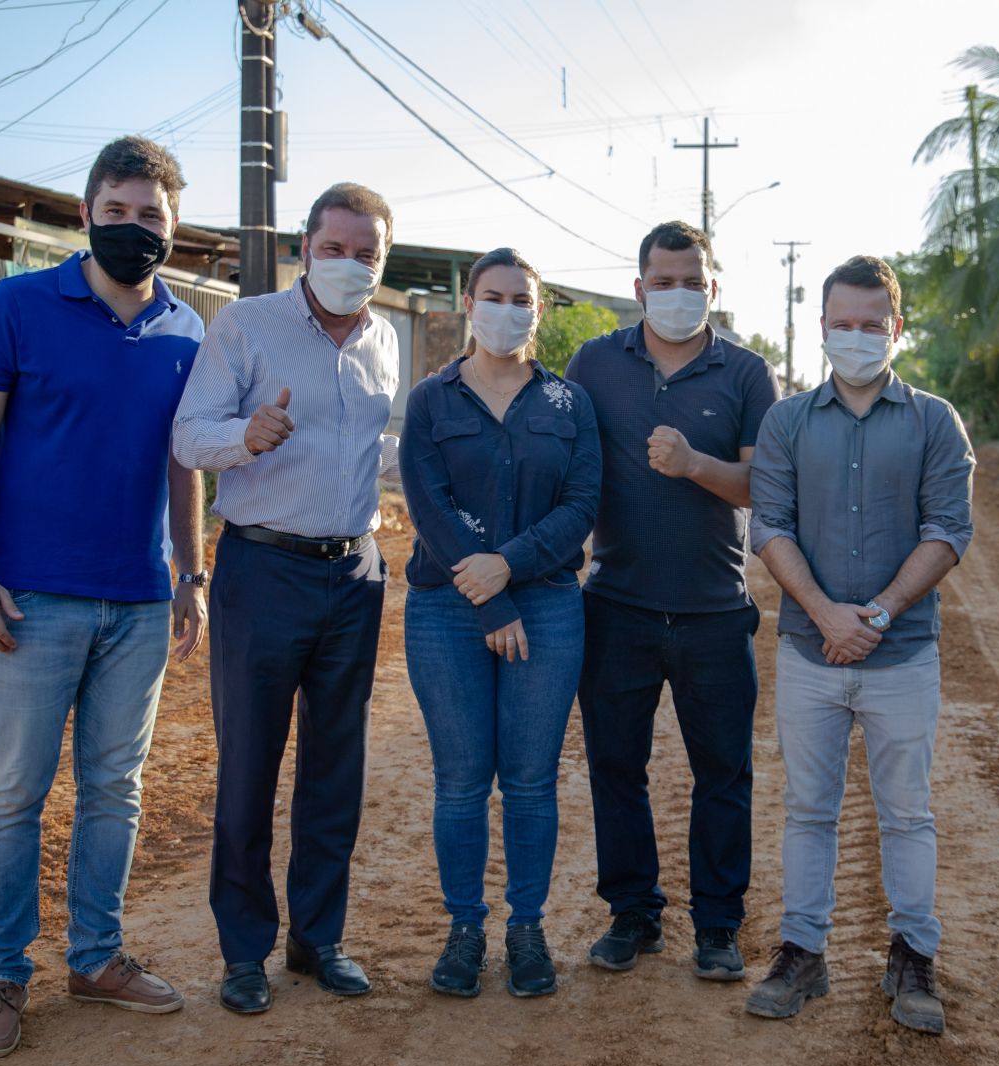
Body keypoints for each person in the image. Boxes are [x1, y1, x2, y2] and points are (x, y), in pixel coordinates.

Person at [0, 136, 207, 1061]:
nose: (134, 229)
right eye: (119, 210)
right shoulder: (18, 305)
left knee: (115, 792)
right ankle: (2, 978)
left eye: (152, 218)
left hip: (137, 602)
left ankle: (96, 958)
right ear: (87, 210)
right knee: (13, 794)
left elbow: (185, 462)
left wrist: (191, 572)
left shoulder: (186, 329)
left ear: (172, 230)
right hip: (28, 601)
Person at [172, 182, 401, 1015]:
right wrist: (246, 437)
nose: (349, 264)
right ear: (306, 246)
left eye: (366, 252)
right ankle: (243, 952)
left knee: (336, 766)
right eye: (334, 247)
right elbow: (187, 434)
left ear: (384, 259)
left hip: (354, 574)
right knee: (249, 766)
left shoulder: (386, 340)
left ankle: (319, 937)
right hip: (263, 572)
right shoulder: (245, 326)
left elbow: (373, 449)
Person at [746, 255, 974, 1035]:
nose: (857, 337)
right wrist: (824, 613)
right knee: (808, 810)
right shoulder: (785, 422)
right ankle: (802, 953)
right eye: (842, 324)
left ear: (896, 329)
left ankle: (913, 955)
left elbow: (949, 530)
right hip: (811, 655)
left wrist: (872, 614)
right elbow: (769, 526)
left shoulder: (933, 422)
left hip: (902, 654)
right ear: (822, 330)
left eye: (872, 325)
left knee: (905, 813)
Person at [565, 220, 780, 982]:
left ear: (713, 287)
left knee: (723, 773)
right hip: (616, 606)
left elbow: (762, 485)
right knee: (616, 769)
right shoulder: (593, 363)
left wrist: (693, 465)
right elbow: (562, 463)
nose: (678, 293)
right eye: (664, 280)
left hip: (715, 611)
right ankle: (634, 914)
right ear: (639, 288)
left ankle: (719, 925)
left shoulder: (748, 374)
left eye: (692, 280)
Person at [399, 248, 601, 998]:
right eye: (494, 296)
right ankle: (463, 930)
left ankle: (525, 928)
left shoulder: (567, 404)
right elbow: (427, 504)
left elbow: (581, 506)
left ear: (537, 312)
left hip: (546, 605)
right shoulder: (432, 399)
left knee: (528, 781)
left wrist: (508, 571)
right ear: (469, 304)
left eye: (522, 299)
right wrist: (492, 597)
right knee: (459, 781)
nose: (507, 309)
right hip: (447, 607)